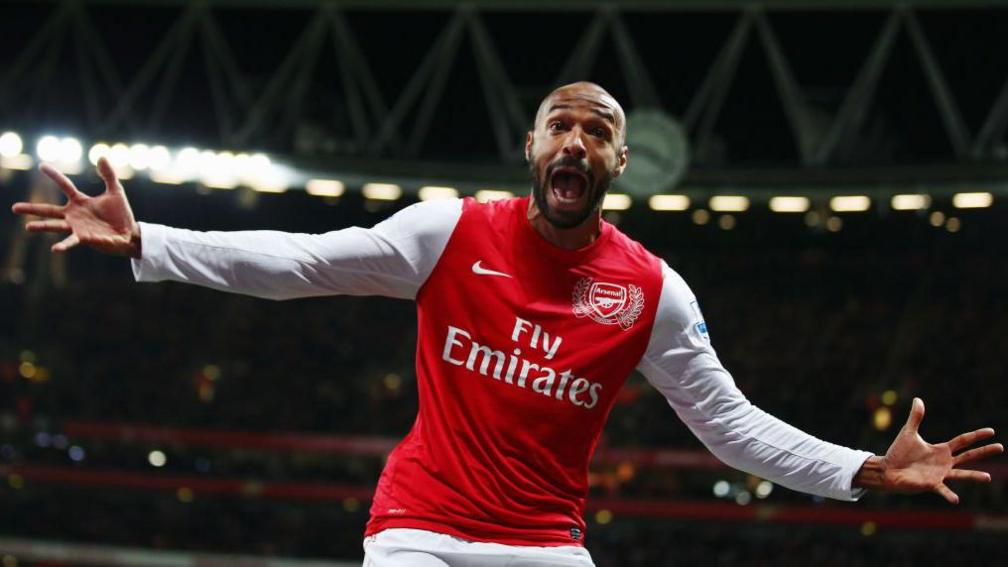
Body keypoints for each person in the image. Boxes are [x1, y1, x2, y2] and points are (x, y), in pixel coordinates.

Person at [12, 82, 1002, 567]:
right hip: (417, 530)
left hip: (542, 543)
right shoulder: (448, 232)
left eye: (599, 132)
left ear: (620, 165)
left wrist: (865, 469)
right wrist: (153, 242)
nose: (577, 139)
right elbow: (304, 264)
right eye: (561, 125)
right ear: (532, 146)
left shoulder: (653, 294)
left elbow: (731, 427)